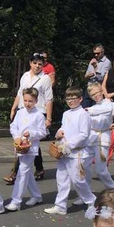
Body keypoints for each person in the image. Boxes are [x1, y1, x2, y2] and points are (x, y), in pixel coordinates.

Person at [44, 87, 96, 216]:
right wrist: (59, 133)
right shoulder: (66, 113)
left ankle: (91, 200)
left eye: (73, 98)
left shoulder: (83, 114)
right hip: (64, 152)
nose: (70, 101)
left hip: (76, 152)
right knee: (61, 179)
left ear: (80, 99)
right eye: (68, 98)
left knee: (78, 180)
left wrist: (69, 145)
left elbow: (84, 135)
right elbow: (63, 127)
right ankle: (60, 206)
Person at [3, 53, 53, 184]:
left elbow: (49, 99)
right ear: (30, 63)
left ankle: (14, 172)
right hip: (23, 111)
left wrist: (49, 117)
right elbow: (20, 94)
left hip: (38, 112)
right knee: (29, 142)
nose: (37, 66)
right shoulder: (25, 76)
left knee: (25, 141)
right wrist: (14, 108)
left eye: (40, 64)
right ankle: (40, 168)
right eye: (35, 63)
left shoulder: (45, 79)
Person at [5, 88, 48, 212]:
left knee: (22, 172)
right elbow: (13, 126)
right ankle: (37, 196)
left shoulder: (39, 115)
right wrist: (17, 137)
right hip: (20, 146)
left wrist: (32, 134)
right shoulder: (20, 112)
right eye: (25, 100)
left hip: (31, 148)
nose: (27, 103)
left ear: (36, 101)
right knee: (27, 173)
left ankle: (16, 201)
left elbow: (42, 132)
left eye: (30, 101)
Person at [84, 82, 114, 191]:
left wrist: (89, 111)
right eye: (93, 94)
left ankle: (113, 187)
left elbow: (107, 110)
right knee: (85, 167)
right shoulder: (93, 106)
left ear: (102, 91)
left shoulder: (108, 103)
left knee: (100, 169)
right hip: (91, 138)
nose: (96, 95)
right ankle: (86, 192)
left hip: (103, 137)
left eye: (97, 92)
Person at [84, 44, 112, 108]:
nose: (96, 55)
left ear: (103, 51)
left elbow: (102, 78)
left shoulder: (107, 62)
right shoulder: (93, 60)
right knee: (85, 108)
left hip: (98, 89)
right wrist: (88, 75)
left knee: (95, 108)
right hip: (89, 87)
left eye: (98, 53)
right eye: (94, 53)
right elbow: (86, 75)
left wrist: (95, 67)